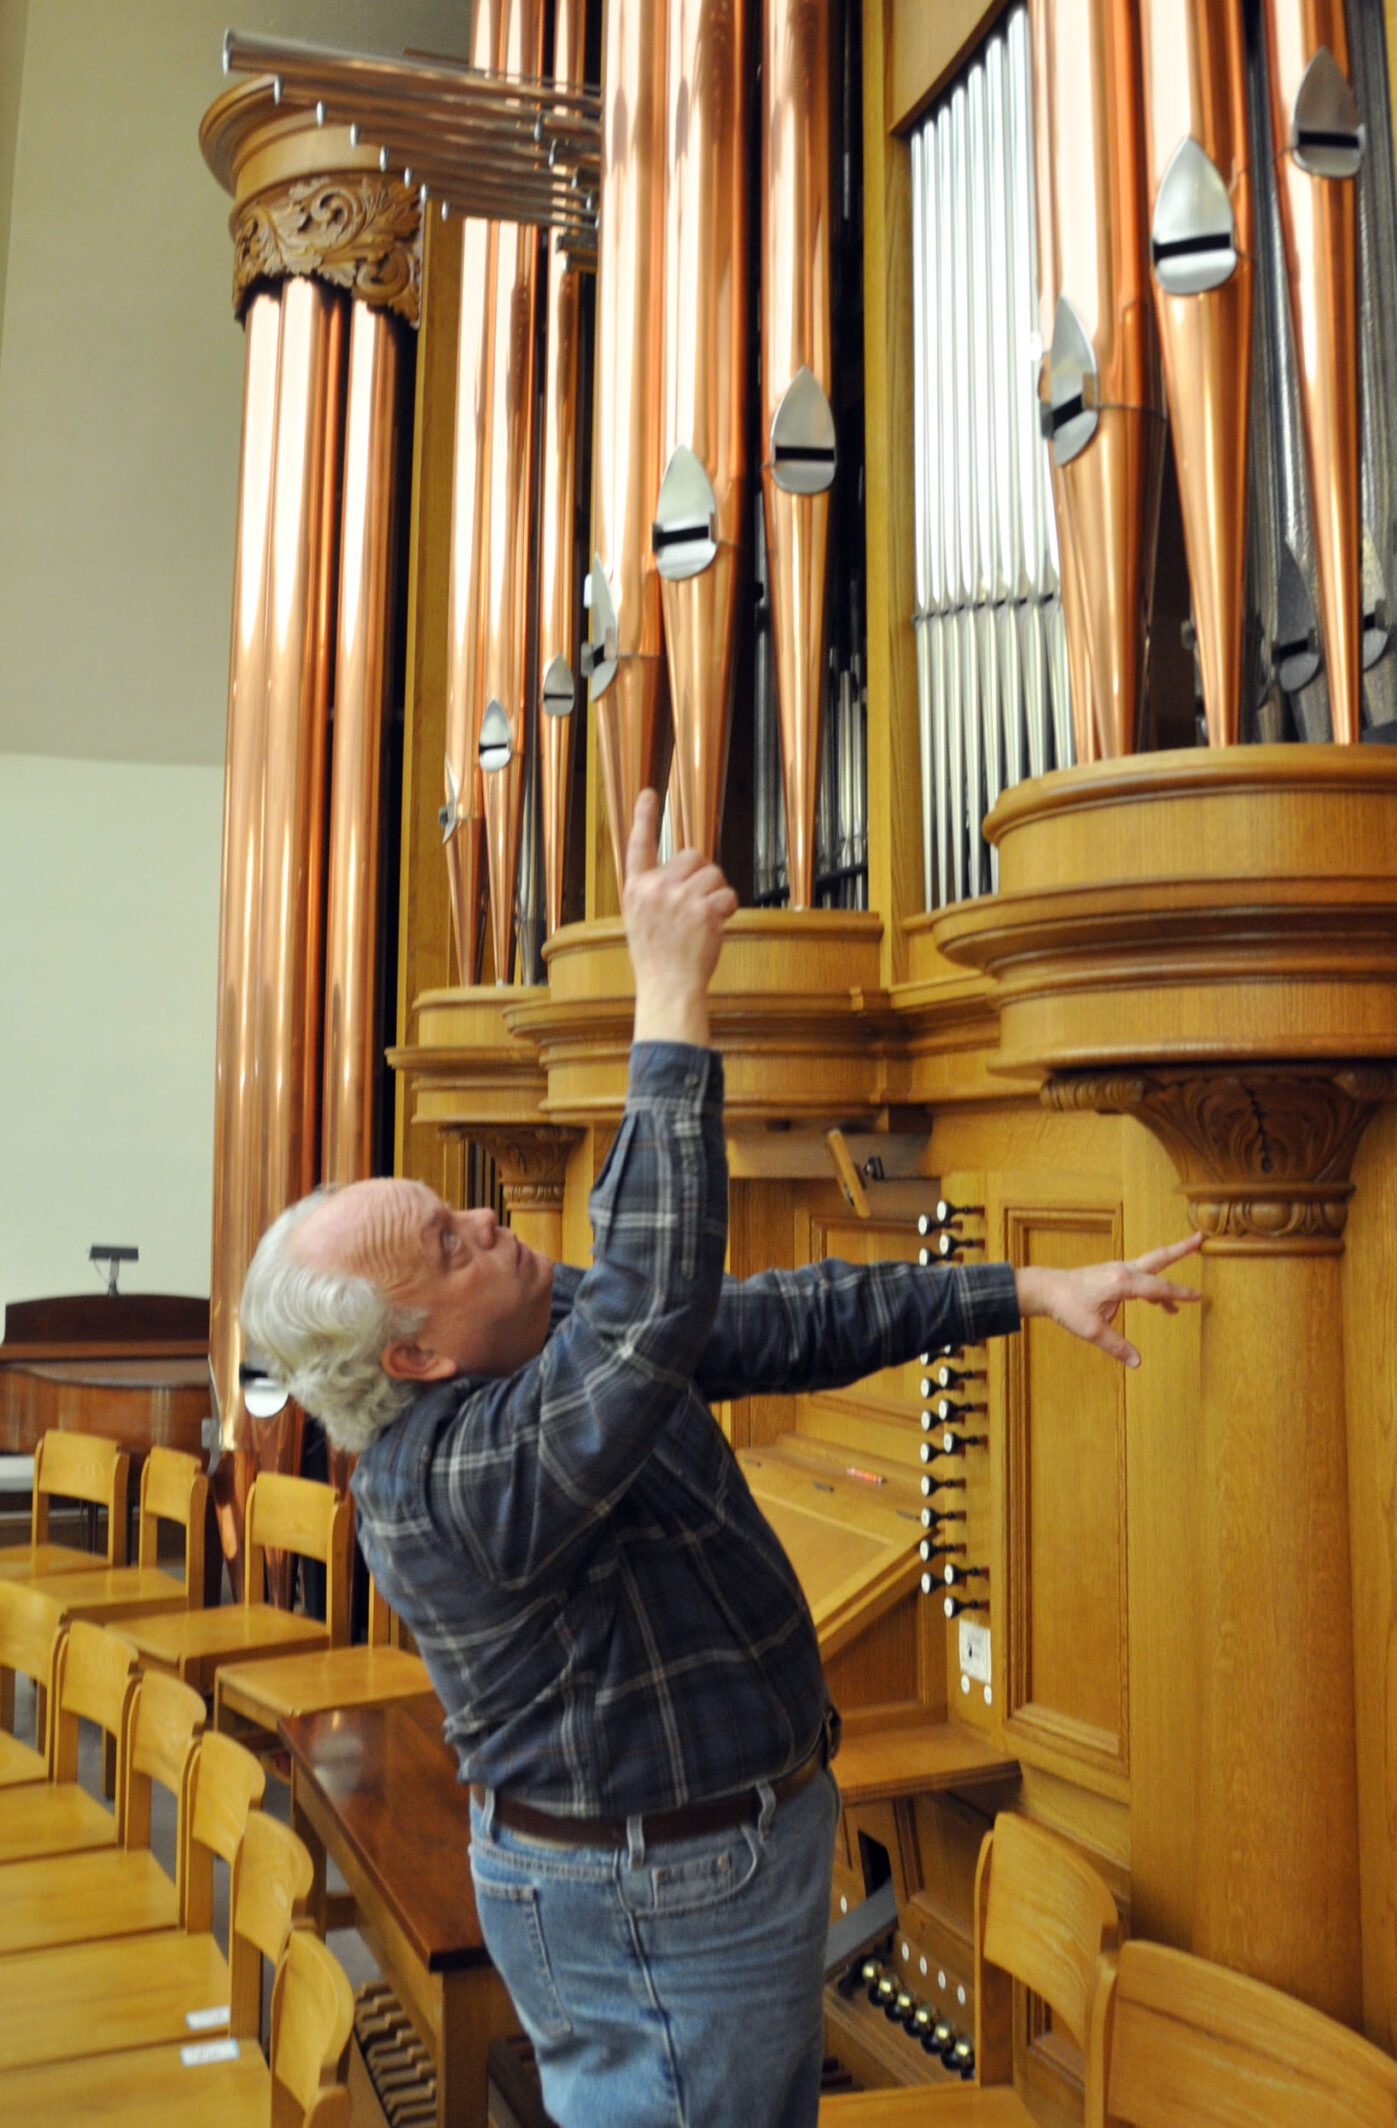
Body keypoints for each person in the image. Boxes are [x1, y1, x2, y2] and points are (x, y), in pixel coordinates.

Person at [241, 791, 1200, 2128]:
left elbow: (776, 1319)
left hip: (710, 1872)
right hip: (655, 1903)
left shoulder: (542, 1339)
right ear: (409, 1356)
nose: (484, 1220)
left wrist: (1028, 1287)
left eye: (456, 1206)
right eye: (448, 1245)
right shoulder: (444, 1480)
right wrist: (668, 994)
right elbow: (650, 1303)